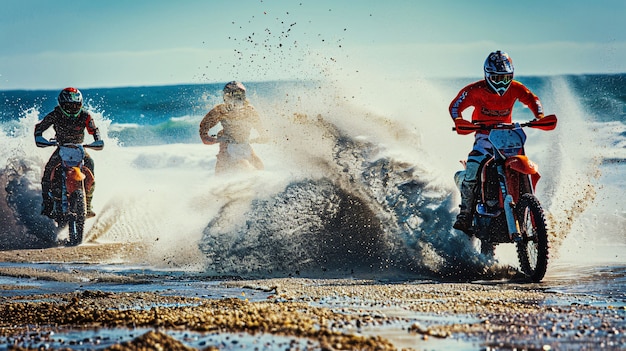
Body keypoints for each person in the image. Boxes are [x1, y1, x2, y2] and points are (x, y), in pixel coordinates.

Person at [448, 51, 545, 234]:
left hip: (508, 134)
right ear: (487, 75)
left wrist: (539, 116)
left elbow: (533, 99)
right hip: (484, 135)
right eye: (497, 78)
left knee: (529, 165)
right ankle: (465, 214)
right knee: (474, 167)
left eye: (506, 78)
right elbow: (455, 106)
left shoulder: (516, 88)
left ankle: (534, 212)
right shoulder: (475, 90)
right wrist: (459, 120)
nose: (502, 83)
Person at [34, 87, 102, 218]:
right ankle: (47, 204)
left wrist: (98, 141)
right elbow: (39, 128)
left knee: (90, 164)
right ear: (62, 104)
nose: (72, 108)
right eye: (68, 105)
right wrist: (40, 139)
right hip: (61, 148)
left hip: (79, 148)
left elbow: (94, 130)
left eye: (75, 105)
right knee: (48, 171)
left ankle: (88, 203)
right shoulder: (55, 114)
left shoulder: (85, 115)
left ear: (80, 104)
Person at [199, 81, 268, 174]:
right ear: (226, 97)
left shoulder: (250, 110)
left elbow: (262, 129)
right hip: (227, 146)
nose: (234, 98)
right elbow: (203, 128)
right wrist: (209, 138)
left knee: (259, 167)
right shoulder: (221, 110)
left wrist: (263, 136)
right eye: (231, 95)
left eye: (237, 95)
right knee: (235, 168)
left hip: (245, 145)